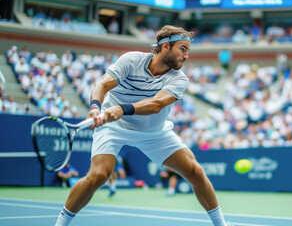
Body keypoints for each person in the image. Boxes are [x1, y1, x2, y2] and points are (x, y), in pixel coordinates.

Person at [54, 25, 228, 226]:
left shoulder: (179, 79)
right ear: (165, 46)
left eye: (188, 50)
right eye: (183, 48)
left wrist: (122, 108)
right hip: (113, 126)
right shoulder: (132, 60)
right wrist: (95, 107)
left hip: (153, 132)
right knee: (99, 175)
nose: (187, 55)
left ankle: (221, 225)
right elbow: (102, 84)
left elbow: (157, 104)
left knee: (195, 172)